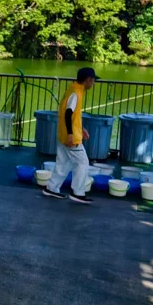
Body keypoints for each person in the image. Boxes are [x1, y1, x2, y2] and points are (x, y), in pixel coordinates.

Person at [45, 67, 99, 205]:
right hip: (71, 137)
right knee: (82, 162)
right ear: (87, 80)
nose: (93, 83)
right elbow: (68, 113)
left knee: (63, 162)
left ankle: (51, 187)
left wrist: (81, 128)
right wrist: (71, 134)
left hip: (64, 133)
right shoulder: (76, 92)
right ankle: (78, 192)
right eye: (93, 80)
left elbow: (72, 114)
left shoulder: (73, 89)